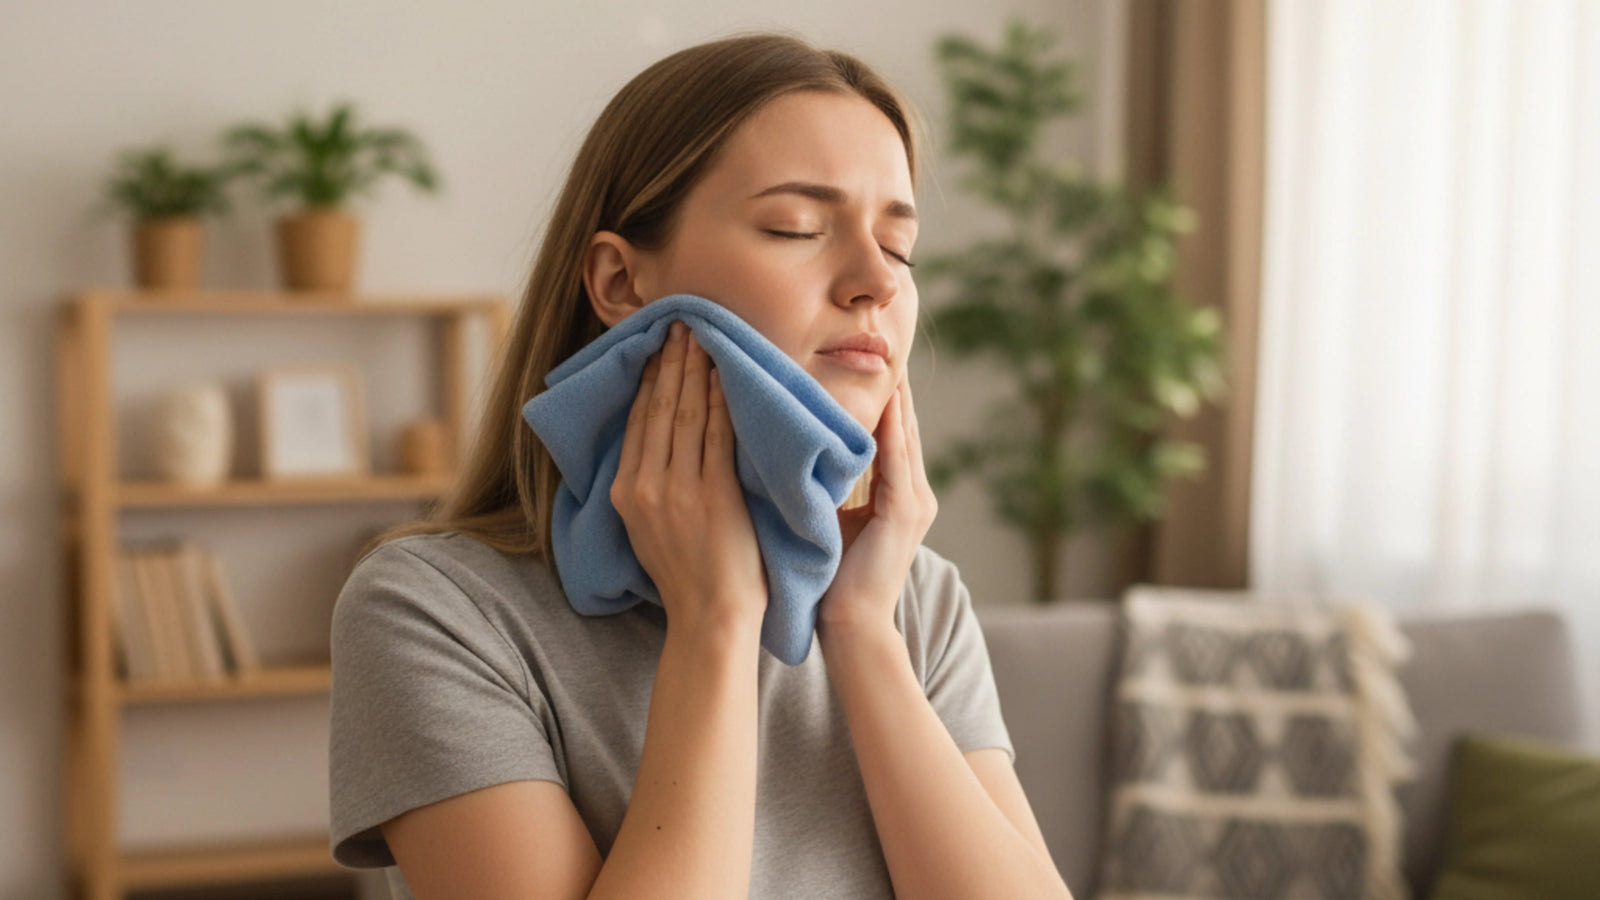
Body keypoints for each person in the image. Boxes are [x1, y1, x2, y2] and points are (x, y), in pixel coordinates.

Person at [328, 31, 1071, 900]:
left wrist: (863, 631)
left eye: (901, 247)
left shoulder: (914, 598)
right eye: (797, 227)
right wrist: (716, 619)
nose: (877, 280)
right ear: (618, 283)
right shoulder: (434, 611)